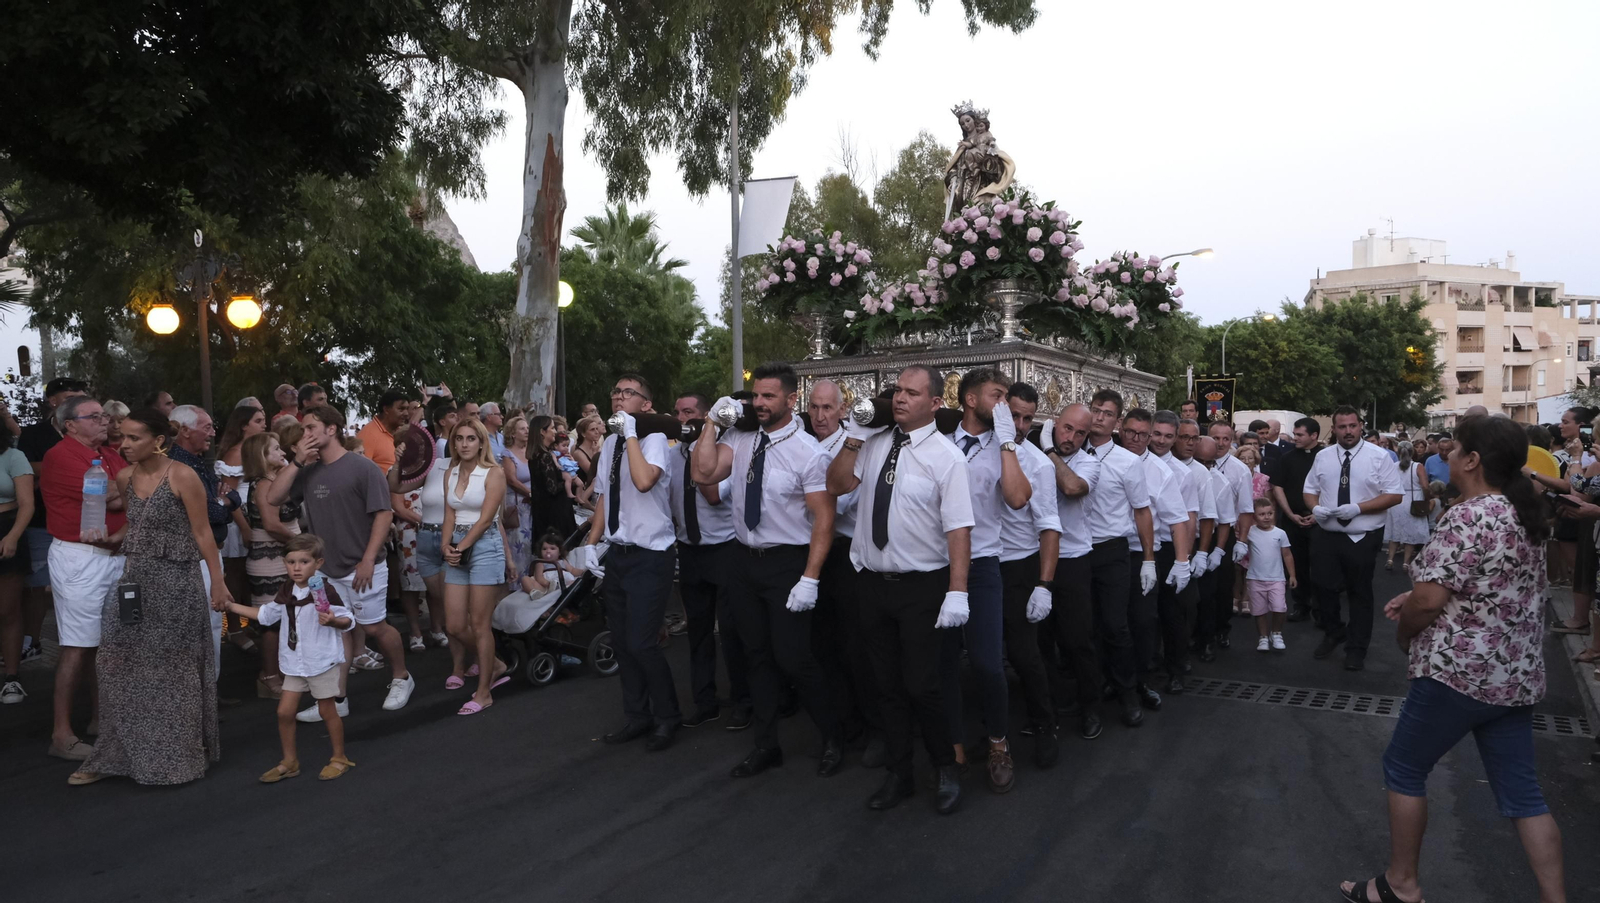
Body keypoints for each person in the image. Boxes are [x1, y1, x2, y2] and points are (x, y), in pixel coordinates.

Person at [1341, 414, 1566, 903]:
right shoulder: (1523, 512)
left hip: (1458, 675)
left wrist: (1406, 633)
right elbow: (1492, 585)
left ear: (1472, 460)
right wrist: (1421, 595)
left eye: (1456, 448)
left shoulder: (1468, 515)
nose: (1449, 454)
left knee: (1404, 768)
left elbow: (1428, 602)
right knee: (1524, 795)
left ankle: (1402, 883)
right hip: (1515, 676)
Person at [825, 363, 972, 815]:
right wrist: (853, 437)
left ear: (935, 402)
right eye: (898, 391)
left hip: (922, 587)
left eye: (912, 392)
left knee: (922, 685)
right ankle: (899, 773)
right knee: (885, 685)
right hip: (872, 583)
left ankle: (945, 767)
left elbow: (959, 529)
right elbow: (836, 485)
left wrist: (958, 591)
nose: (901, 398)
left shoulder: (947, 457)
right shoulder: (873, 443)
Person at [695, 363, 843, 778]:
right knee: (755, 656)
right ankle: (766, 745)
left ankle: (834, 735)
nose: (758, 403)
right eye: (756, 395)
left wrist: (810, 578)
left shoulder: (809, 453)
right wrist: (711, 423)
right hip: (743, 559)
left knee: (794, 659)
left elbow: (824, 519)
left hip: (787, 563)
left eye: (768, 396)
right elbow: (703, 472)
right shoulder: (741, 438)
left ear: (792, 400)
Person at [68, 409, 229, 786]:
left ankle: (179, 757)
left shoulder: (182, 475)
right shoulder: (125, 477)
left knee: (175, 669)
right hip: (135, 579)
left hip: (177, 581)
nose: (123, 445)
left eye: (133, 438)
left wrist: (218, 583)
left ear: (158, 441)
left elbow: (203, 532)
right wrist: (111, 538)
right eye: (121, 437)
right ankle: (116, 753)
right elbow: (136, 523)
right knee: (116, 661)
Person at [262, 405, 414, 720]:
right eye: (303, 429)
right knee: (335, 630)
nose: (304, 434)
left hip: (363, 566)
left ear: (332, 429)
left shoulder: (363, 468)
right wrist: (297, 460)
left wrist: (368, 560)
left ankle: (402, 677)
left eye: (310, 428)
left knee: (374, 627)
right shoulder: (307, 470)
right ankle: (335, 699)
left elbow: (383, 514)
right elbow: (273, 498)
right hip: (325, 571)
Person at [929, 367, 1030, 790]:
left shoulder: (1007, 447)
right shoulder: (939, 443)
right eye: (997, 395)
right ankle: (953, 748)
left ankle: (998, 742)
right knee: (942, 664)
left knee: (988, 663)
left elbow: (1017, 498)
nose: (1005, 403)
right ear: (970, 399)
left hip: (983, 565)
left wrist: (1006, 441)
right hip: (936, 565)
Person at [578, 373, 683, 752]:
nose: (619, 397)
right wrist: (592, 544)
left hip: (651, 554)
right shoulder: (609, 443)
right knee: (623, 643)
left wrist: (632, 433)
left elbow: (642, 481)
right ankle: (638, 716)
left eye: (628, 393)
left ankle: (668, 717)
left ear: (646, 405)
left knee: (642, 642)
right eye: (616, 392)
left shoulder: (654, 440)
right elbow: (605, 497)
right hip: (619, 553)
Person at [228, 533, 357, 783]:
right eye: (291, 562)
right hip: (295, 662)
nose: (297, 568)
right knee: (284, 712)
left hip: (320, 661)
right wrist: (230, 607)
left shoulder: (325, 590)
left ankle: (339, 757)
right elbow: (266, 615)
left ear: (318, 563)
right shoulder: (286, 591)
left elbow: (348, 619)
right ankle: (290, 761)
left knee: (327, 710)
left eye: (304, 562)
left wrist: (333, 620)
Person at [42, 395, 128, 761]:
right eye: (94, 417)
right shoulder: (60, 455)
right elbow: (113, 495)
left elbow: (133, 491)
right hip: (81, 558)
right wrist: (121, 491)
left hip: (114, 557)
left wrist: (121, 492)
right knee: (78, 645)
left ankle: (100, 718)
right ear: (70, 425)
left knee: (109, 642)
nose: (104, 421)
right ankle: (61, 735)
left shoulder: (108, 454)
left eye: (104, 415)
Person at [805, 380, 881, 763]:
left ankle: (875, 726)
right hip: (809, 552)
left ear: (842, 409)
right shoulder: (806, 445)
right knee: (822, 645)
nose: (820, 416)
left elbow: (840, 502)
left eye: (827, 408)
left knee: (856, 647)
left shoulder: (856, 446)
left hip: (846, 553)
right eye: (814, 407)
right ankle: (844, 724)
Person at [667, 393, 747, 729]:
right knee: (698, 632)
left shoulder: (726, 452)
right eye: (677, 413)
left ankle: (743, 701)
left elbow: (713, 495)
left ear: (705, 417)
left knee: (731, 630)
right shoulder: (672, 456)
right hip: (690, 550)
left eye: (688, 413)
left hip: (724, 548)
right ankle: (705, 701)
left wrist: (702, 449)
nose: (681, 419)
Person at [1304, 405, 1403, 671]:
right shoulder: (1323, 456)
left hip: (1363, 535)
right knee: (1322, 586)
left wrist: (1358, 508)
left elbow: (1394, 495)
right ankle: (1334, 630)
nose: (1348, 431)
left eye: (1352, 425)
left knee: (1359, 593)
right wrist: (1315, 507)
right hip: (1328, 532)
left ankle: (1356, 648)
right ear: (1334, 429)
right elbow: (1310, 490)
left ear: (1360, 426)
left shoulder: (1379, 456)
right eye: (1342, 427)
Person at [995, 383, 1064, 767]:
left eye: (1027, 418)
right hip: (971, 563)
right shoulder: (969, 449)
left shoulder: (1037, 463)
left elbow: (1049, 526)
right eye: (1014, 416)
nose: (1020, 426)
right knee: (983, 657)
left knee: (1024, 655)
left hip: (1017, 566)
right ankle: (990, 732)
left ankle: (1044, 725)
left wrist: (1044, 585)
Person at [1084, 389, 1156, 727]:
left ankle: (1128, 691)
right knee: (1083, 628)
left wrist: (1149, 559)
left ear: (1117, 421)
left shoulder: (1127, 461)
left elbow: (1142, 511)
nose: (1099, 417)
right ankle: (1091, 696)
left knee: (1115, 625)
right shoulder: (1068, 451)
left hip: (1111, 550)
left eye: (1107, 413)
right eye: (1095, 410)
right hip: (1074, 551)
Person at [1118, 408, 1191, 708]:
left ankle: (1141, 680)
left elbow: (1179, 520)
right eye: (1130, 432)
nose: (1136, 439)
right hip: (1108, 550)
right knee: (1110, 621)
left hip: (1146, 552)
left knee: (1145, 620)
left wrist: (1183, 561)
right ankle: (1114, 679)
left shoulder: (1163, 472)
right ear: (1121, 430)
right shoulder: (1104, 459)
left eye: (1143, 434)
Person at [441, 417, 511, 714]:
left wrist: (460, 547)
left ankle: (484, 693)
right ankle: (494, 664)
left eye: (471, 438)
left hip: (484, 546)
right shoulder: (451, 472)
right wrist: (446, 545)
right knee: (455, 625)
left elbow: (485, 520)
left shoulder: (494, 473)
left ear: (482, 442)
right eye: (459, 438)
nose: (464, 444)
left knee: (481, 625)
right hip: (457, 545)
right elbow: (449, 514)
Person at [169, 404, 245, 677]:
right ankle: (202, 692)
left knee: (211, 626)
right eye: (207, 427)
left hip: (207, 556)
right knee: (202, 627)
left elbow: (231, 497)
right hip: (195, 559)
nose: (213, 433)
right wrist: (223, 501)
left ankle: (207, 691)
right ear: (185, 431)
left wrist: (223, 499)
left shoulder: (197, 461)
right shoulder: (180, 465)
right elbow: (214, 512)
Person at [18, 377, 89, 669]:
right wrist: (67, 466)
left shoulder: (88, 430)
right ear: (53, 401)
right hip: (41, 522)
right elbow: (24, 468)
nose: (77, 401)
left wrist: (48, 468)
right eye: (71, 397)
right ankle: (32, 642)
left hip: (82, 522)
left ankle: (80, 645)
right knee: (36, 586)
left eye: (81, 396)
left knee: (78, 587)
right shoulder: (33, 434)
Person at [1044, 405, 1105, 739]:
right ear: (1055, 424)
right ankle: (1046, 709)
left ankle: (1090, 707)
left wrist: (1049, 452)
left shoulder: (1089, 463)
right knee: (1040, 640)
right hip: (1035, 557)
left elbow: (1071, 487)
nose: (1071, 437)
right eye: (1066, 428)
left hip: (1072, 558)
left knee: (1078, 639)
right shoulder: (1032, 453)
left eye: (1080, 433)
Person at [240, 431, 299, 700]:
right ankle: (269, 675)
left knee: (285, 617)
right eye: (276, 449)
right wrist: (303, 543)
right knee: (272, 621)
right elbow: (272, 525)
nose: (282, 452)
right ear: (261, 456)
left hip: (282, 556)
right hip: (270, 560)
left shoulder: (275, 480)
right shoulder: (263, 484)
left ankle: (282, 671)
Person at [1150, 411, 1206, 694]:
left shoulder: (1183, 473)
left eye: (1168, 436)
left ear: (1175, 439)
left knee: (1173, 614)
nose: (1161, 441)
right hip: (1138, 546)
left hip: (1170, 547)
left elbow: (1190, 518)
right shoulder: (1134, 462)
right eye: (1157, 434)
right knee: (1142, 614)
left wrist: (1184, 558)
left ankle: (1176, 668)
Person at [216, 403, 267, 651]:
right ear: (244, 426)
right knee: (235, 575)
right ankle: (234, 628)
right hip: (239, 520)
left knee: (250, 575)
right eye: (258, 421)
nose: (264, 424)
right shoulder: (236, 453)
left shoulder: (254, 450)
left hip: (255, 516)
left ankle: (253, 621)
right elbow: (228, 496)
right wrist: (245, 528)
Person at [1270, 417, 1322, 624]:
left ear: (1314, 435)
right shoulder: (1287, 458)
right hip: (1293, 519)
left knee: (1320, 566)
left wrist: (1319, 513)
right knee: (1297, 565)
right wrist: (1290, 514)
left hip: (1320, 520)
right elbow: (1277, 486)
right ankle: (1301, 605)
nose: (1295, 438)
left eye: (1300, 435)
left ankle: (1321, 609)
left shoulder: (1326, 457)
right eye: (1294, 434)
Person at [1232, 497, 1295, 652]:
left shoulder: (1280, 533)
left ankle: (1276, 633)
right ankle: (1263, 637)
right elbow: (1240, 536)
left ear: (1274, 513)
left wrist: (1292, 575)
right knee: (1259, 611)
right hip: (1255, 579)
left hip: (1277, 579)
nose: (1266, 517)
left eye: (1269, 513)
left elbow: (1287, 554)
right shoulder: (1250, 532)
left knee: (1279, 608)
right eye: (1261, 514)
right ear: (1254, 516)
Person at [0, 419, 33, 704]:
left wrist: (12, 536)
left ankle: (12, 678)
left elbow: (27, 504)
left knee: (7, 610)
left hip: (7, 529)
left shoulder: (13, 456)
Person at [1385, 440, 1431, 571]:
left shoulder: (1393, 466)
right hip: (1413, 500)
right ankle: (1406, 562)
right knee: (1411, 533)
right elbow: (1425, 486)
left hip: (1396, 500)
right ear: (1412, 452)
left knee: (1395, 530)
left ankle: (1390, 559)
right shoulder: (1418, 466)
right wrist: (1427, 497)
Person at [500, 415, 534, 585]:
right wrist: (531, 494)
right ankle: (517, 584)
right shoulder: (507, 454)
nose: (527, 431)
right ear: (512, 433)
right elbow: (512, 480)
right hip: (519, 506)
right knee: (520, 546)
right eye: (522, 428)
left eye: (527, 428)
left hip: (534, 507)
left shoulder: (531, 451)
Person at [357, 389, 410, 474]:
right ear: (386, 410)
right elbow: (360, 472)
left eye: (407, 409)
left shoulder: (400, 432)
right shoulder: (368, 435)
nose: (406, 413)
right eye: (401, 409)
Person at [571, 415, 604, 485]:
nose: (596, 432)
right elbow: (593, 473)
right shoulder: (578, 453)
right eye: (592, 430)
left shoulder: (596, 447)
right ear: (583, 434)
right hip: (585, 487)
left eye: (597, 429)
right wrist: (595, 453)